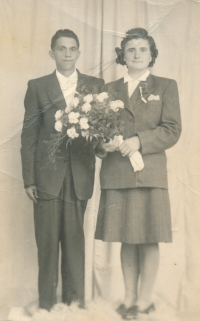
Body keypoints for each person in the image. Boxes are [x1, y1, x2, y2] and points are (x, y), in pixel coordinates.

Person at [95, 28, 181, 320]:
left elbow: (171, 130)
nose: (136, 55)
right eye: (131, 49)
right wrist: (102, 144)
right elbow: (98, 130)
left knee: (148, 236)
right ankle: (129, 296)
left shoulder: (166, 86)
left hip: (149, 174)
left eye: (143, 49)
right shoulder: (108, 89)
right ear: (123, 55)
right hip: (117, 173)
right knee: (126, 236)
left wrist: (139, 141)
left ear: (151, 54)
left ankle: (144, 301)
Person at [21, 29, 104, 311]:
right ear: (52, 53)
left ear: (79, 53)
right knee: (47, 245)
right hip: (46, 177)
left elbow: (101, 131)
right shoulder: (37, 86)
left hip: (79, 175)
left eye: (72, 49)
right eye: (61, 49)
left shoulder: (95, 85)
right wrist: (28, 180)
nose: (67, 54)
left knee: (74, 243)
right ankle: (46, 308)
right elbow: (29, 137)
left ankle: (73, 307)